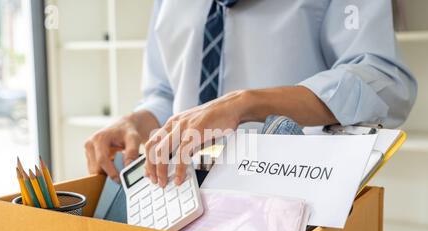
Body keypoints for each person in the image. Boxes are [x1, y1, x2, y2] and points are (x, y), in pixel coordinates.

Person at [85, 0, 417, 189]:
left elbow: (383, 79)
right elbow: (166, 92)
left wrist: (246, 105)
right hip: (183, 199)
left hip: (293, 203)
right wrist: (137, 121)